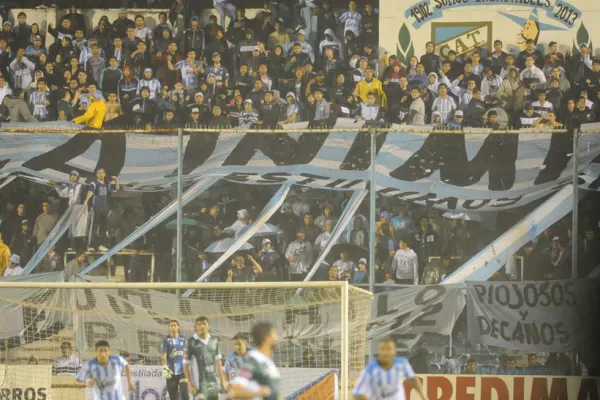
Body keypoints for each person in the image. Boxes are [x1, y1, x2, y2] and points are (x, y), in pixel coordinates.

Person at [353, 337, 427, 400]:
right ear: (379, 351)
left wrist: (423, 396)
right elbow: (357, 392)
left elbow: (412, 378)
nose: (385, 352)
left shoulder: (402, 363)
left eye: (388, 349)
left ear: (394, 351)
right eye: (382, 349)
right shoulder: (370, 369)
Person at [229, 321, 281, 399]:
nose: (278, 337)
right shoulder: (252, 362)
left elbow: (274, 393)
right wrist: (259, 392)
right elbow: (235, 392)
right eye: (275, 334)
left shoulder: (268, 361)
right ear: (266, 338)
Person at [183, 316, 225, 400]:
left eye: (204, 324)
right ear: (196, 327)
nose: (202, 326)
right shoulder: (190, 342)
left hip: (214, 384)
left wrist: (222, 381)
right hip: (199, 386)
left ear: (208, 325)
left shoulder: (214, 341)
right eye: (199, 324)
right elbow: (185, 365)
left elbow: (218, 363)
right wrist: (190, 384)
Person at [85, 168, 120, 252]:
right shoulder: (94, 183)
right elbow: (91, 192)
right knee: (94, 226)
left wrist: (116, 180)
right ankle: (90, 245)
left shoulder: (107, 184)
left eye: (102, 173)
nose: (100, 174)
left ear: (104, 174)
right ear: (97, 175)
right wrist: (86, 200)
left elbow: (116, 189)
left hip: (105, 208)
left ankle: (101, 245)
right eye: (99, 173)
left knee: (104, 227)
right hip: (96, 207)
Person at [161, 319, 188, 400]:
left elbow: (187, 354)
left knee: (184, 393)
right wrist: (165, 368)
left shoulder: (183, 339)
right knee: (173, 397)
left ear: (178, 327)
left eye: (175, 325)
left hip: (182, 372)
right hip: (171, 373)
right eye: (171, 325)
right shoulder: (166, 340)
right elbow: (163, 356)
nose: (173, 327)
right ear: (169, 328)